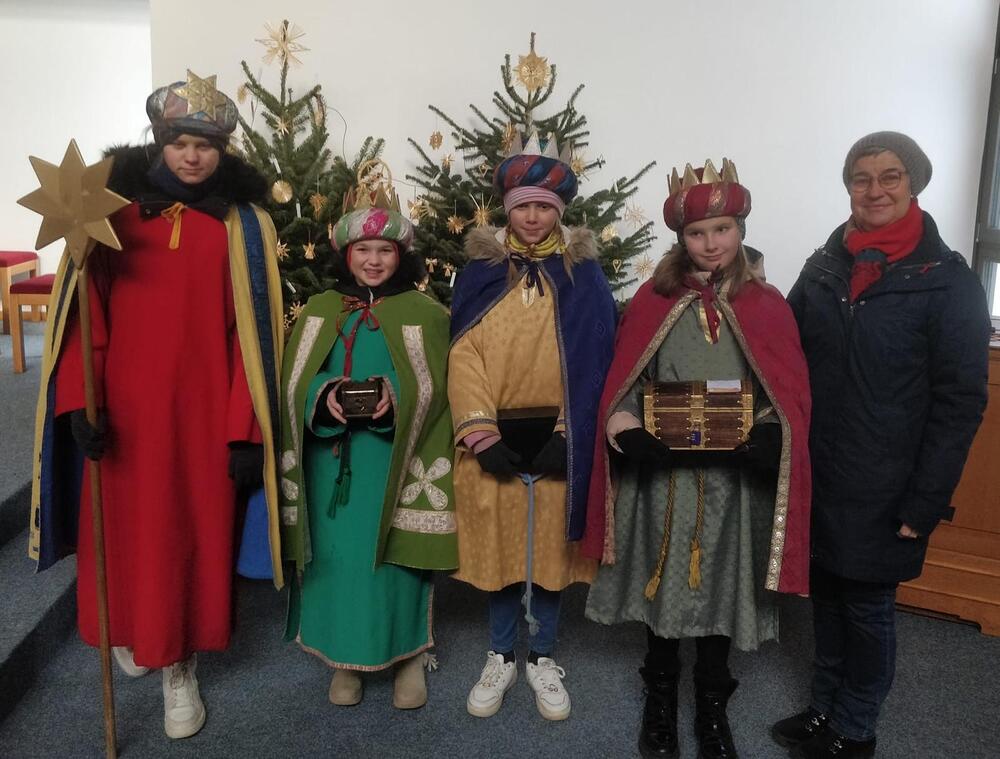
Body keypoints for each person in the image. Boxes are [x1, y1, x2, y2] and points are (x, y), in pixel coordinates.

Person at [27, 71, 284, 739]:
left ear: (222, 150)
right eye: (179, 143)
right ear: (159, 141)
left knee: (187, 537)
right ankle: (131, 631)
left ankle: (179, 664)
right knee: (127, 532)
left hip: (203, 412)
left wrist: (244, 428)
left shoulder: (242, 227)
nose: (192, 157)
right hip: (125, 414)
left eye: (205, 146)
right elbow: (86, 315)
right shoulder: (110, 217)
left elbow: (252, 336)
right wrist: (81, 403)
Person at [582, 159, 812, 759]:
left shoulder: (767, 305)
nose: (711, 244)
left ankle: (712, 706)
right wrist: (628, 429)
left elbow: (784, 391)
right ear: (681, 238)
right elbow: (625, 381)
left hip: (735, 485)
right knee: (662, 586)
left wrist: (769, 434)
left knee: (721, 590)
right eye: (697, 233)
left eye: (722, 229)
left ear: (740, 229)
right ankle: (659, 698)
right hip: (665, 481)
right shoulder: (653, 301)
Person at [773, 131, 990, 759]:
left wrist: (926, 500)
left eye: (889, 176)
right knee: (827, 597)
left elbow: (960, 402)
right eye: (861, 178)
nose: (875, 190)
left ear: (912, 183)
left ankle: (856, 727)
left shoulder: (949, 282)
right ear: (848, 186)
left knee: (867, 608)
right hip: (821, 469)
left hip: (890, 482)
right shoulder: (823, 266)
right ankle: (823, 707)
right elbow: (782, 347)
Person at [448, 131, 617, 720]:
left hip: (557, 439)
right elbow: (463, 355)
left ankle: (542, 656)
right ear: (507, 209)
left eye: (545, 206)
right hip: (495, 435)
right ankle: (500, 654)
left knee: (548, 554)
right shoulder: (480, 272)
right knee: (500, 553)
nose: (534, 216)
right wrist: (480, 434)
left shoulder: (583, 275)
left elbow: (595, 358)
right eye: (524, 206)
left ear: (560, 211)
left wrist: (569, 436)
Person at [279, 170, 457, 710]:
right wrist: (324, 397)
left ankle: (409, 656)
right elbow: (293, 383)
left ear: (401, 256)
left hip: (395, 460)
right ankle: (343, 659)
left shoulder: (427, 314)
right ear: (346, 254)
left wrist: (395, 400)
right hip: (330, 462)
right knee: (338, 560)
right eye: (363, 250)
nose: (374, 261)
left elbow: (440, 388)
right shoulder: (320, 310)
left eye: (385, 250)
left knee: (395, 562)